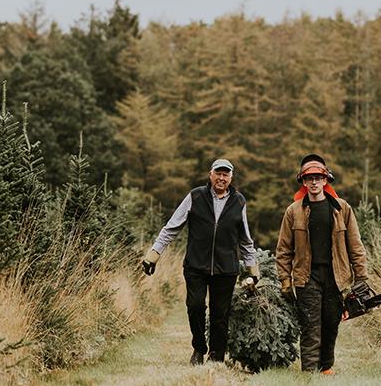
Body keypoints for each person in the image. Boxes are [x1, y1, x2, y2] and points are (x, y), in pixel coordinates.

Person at [142, 158, 260, 364]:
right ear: (210, 174)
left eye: (226, 174)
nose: (222, 178)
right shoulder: (195, 196)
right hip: (196, 265)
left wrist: (253, 271)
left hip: (226, 268)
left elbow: (245, 240)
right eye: (218, 173)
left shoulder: (239, 201)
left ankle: (216, 356)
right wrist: (153, 255)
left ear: (231, 178)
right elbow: (172, 227)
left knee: (220, 314)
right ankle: (199, 347)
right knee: (195, 306)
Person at [275, 153, 369, 374]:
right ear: (303, 182)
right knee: (310, 325)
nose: (314, 182)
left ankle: (326, 367)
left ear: (326, 180)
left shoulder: (341, 208)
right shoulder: (293, 211)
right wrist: (285, 280)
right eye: (310, 178)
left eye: (319, 177)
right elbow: (283, 250)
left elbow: (355, 245)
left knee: (330, 323)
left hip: (337, 276)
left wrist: (361, 278)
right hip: (307, 276)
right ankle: (309, 370)